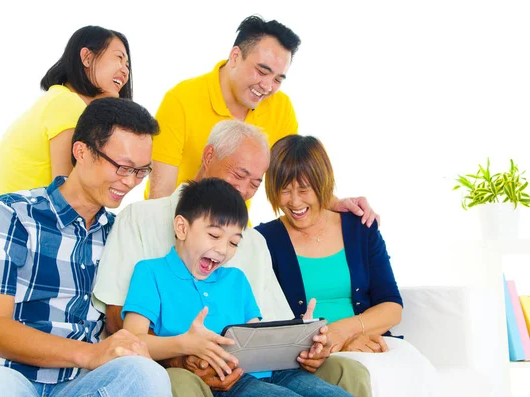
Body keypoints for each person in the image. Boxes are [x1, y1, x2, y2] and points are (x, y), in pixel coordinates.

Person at [93, 119, 372, 397]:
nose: (245, 190)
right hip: (206, 373)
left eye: (255, 182)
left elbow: (260, 332)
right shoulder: (143, 232)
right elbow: (124, 329)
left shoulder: (244, 260)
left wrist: (303, 337)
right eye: (239, 174)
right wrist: (184, 351)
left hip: (257, 369)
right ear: (209, 156)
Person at [0, 98, 171, 397]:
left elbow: (125, 321)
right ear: (81, 152)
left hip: (79, 384)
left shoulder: (121, 232)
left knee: (147, 376)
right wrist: (90, 354)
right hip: (0, 372)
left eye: (141, 171)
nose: (130, 181)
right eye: (122, 167)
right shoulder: (11, 214)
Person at [123, 178, 353, 397]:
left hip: (278, 372)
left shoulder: (236, 279)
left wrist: (300, 337)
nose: (223, 250)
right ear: (182, 228)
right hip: (227, 380)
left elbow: (256, 337)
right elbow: (133, 338)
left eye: (233, 242)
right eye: (214, 235)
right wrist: (183, 344)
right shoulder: (150, 272)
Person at [146, 16, 375, 224]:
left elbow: (291, 174)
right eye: (261, 71)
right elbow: (159, 198)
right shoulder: (181, 100)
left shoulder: (280, 107)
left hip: (232, 231)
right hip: (177, 223)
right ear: (235, 56)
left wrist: (332, 202)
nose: (267, 87)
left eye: (278, 79)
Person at [255, 135, 437, 397]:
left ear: (323, 183)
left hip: (367, 340)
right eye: (284, 189)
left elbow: (392, 307)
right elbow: (268, 323)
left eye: (304, 189)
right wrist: (333, 343)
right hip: (307, 356)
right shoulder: (263, 240)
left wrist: (346, 332)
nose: (294, 202)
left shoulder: (360, 228)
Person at [0, 25, 132, 208]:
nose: (125, 71)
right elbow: (68, 198)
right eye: (118, 58)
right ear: (87, 58)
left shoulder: (57, 99)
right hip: (20, 229)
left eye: (127, 65)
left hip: (4, 225)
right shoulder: (68, 104)